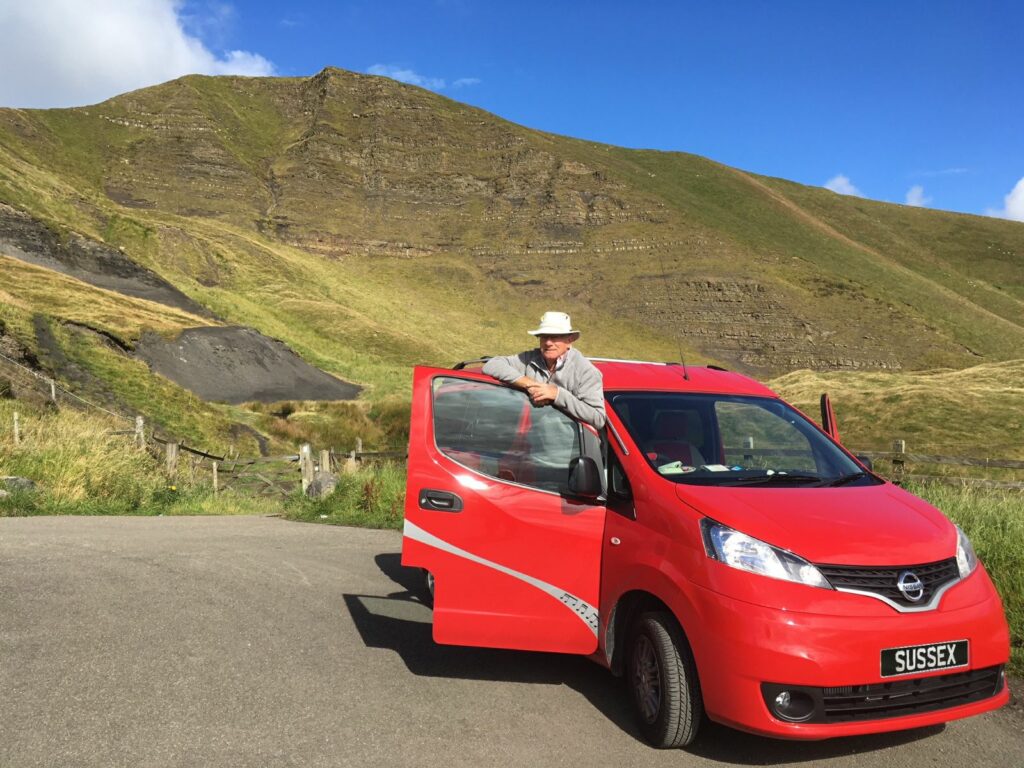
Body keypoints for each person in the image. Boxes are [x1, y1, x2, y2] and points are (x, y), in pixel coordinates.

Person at [482, 311, 606, 429]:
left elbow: (598, 418)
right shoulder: (531, 358)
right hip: (529, 438)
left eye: (555, 337)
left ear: (569, 341)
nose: (548, 342)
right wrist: (530, 384)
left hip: (569, 448)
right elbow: (492, 365)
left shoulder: (586, 372)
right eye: (544, 337)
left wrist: (557, 394)